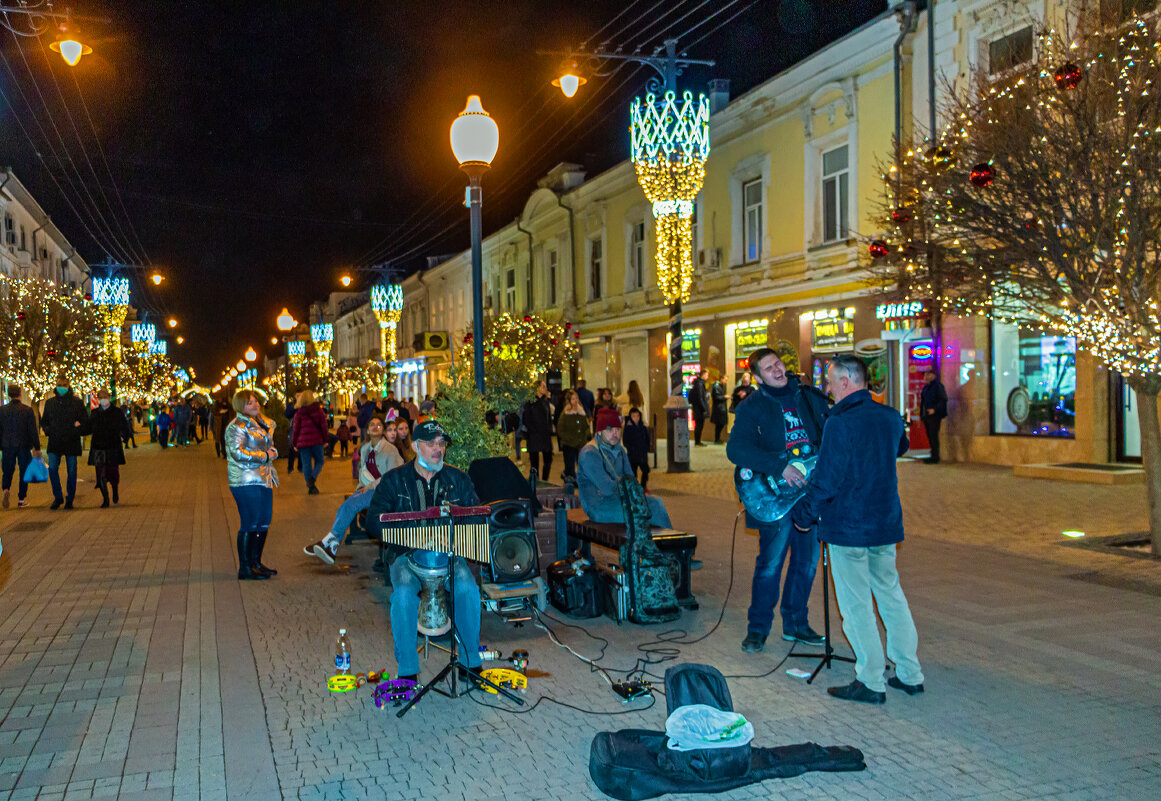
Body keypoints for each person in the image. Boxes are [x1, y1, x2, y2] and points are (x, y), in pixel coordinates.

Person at [791, 354, 923, 704]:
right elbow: (901, 446)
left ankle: (870, 680)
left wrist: (805, 515)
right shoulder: (889, 415)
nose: (828, 389)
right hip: (884, 523)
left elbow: (828, 480)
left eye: (831, 382)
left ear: (847, 382)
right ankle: (910, 673)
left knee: (857, 604)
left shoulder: (841, 423)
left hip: (849, 526)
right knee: (891, 595)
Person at [726, 347, 830, 652]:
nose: (777, 370)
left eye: (779, 364)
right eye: (769, 367)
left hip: (808, 495)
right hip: (774, 494)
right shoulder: (752, 407)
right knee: (770, 564)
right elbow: (736, 450)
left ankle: (796, 624)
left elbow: (831, 434)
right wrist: (778, 466)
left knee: (807, 562)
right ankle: (757, 628)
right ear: (757, 377)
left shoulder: (808, 397)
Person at [366, 420, 485, 684]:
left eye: (441, 444)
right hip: (406, 557)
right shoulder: (395, 480)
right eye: (430, 443)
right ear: (416, 446)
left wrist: (452, 534)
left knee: (468, 589)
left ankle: (469, 664)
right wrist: (412, 532)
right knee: (404, 596)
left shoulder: (458, 480)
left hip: (448, 556)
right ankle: (408, 670)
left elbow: (476, 517)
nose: (437, 449)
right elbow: (372, 521)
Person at [304, 416, 403, 564]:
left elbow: (392, 476)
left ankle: (329, 542)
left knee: (350, 505)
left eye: (379, 425)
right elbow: (363, 473)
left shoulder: (390, 450)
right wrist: (360, 489)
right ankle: (332, 546)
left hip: (384, 492)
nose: (375, 427)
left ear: (382, 430)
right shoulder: (365, 449)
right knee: (349, 504)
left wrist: (368, 487)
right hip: (369, 491)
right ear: (367, 430)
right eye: (372, 424)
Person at [577, 408, 671, 527]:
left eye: (617, 429)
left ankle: (671, 542)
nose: (615, 434)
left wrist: (622, 483)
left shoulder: (619, 450)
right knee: (647, 509)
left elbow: (631, 480)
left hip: (619, 500)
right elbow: (607, 489)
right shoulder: (590, 453)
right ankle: (669, 544)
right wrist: (623, 482)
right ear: (599, 432)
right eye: (610, 430)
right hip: (599, 507)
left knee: (655, 503)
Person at [226, 389, 279, 580]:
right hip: (244, 480)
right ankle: (245, 567)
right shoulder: (236, 426)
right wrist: (264, 456)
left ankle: (256, 562)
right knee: (250, 521)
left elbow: (263, 446)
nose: (255, 404)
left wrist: (271, 452)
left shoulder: (263, 422)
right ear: (241, 406)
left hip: (264, 478)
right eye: (249, 403)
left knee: (264, 521)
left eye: (255, 401)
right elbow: (237, 453)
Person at [40, 376, 89, 510]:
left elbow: (85, 420)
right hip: (55, 441)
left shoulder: (76, 402)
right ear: (56, 386)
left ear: (69, 386)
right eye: (60, 384)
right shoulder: (50, 403)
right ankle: (58, 497)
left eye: (64, 385)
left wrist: (77, 428)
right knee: (53, 469)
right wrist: (48, 430)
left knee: (72, 471)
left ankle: (70, 499)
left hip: (71, 441)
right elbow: (44, 421)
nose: (62, 387)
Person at [0, 385, 41, 509]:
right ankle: (21, 499)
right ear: (20, 394)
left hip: (7, 444)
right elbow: (32, 430)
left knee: (7, 470)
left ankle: (6, 489)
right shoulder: (27, 410)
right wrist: (37, 447)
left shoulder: (2, 410)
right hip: (23, 445)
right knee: (24, 471)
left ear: (8, 395)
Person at [88, 390, 129, 507]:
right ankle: (105, 498)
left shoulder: (117, 412)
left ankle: (115, 490)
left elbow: (124, 426)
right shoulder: (95, 413)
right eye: (101, 397)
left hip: (113, 446)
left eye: (105, 397)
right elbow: (88, 426)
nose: (103, 399)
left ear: (109, 398)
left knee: (113, 472)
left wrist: (123, 437)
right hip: (99, 447)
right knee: (100, 474)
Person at [290, 389, 329, 494]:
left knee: (306, 463)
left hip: (303, 443)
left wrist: (294, 443)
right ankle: (312, 479)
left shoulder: (299, 413)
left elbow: (296, 430)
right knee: (319, 461)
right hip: (317, 441)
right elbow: (323, 427)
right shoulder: (319, 411)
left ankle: (310, 485)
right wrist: (326, 439)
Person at [522, 380, 554, 482]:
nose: (545, 388)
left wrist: (549, 429)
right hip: (534, 436)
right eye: (543, 386)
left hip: (545, 436)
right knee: (534, 461)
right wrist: (533, 431)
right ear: (538, 388)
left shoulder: (545, 402)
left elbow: (548, 418)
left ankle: (545, 480)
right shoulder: (530, 402)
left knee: (548, 460)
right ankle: (535, 482)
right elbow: (526, 418)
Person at [556, 389, 590, 482]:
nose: (575, 401)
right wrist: (566, 438)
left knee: (582, 463)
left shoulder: (581, 411)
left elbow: (585, 426)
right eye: (573, 399)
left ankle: (579, 479)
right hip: (569, 443)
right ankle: (569, 480)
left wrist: (586, 435)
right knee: (569, 464)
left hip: (580, 443)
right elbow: (560, 428)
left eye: (576, 398)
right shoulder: (566, 413)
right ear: (569, 400)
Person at [919, 368, 948, 464]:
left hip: (934, 415)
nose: (925, 377)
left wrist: (935, 410)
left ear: (933, 375)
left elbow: (943, 399)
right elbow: (923, 402)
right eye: (925, 374)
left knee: (933, 435)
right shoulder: (926, 388)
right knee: (930, 435)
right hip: (927, 415)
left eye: (928, 374)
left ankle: (935, 457)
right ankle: (932, 455)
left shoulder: (938, 386)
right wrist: (921, 415)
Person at [622, 407, 651, 491]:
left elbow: (647, 439)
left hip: (642, 453)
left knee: (646, 470)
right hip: (633, 454)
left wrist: (646, 448)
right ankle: (635, 487)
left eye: (637, 416)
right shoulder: (628, 428)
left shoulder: (643, 428)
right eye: (634, 416)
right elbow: (625, 441)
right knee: (633, 472)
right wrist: (631, 448)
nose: (636, 418)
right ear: (630, 417)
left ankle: (643, 486)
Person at [690, 369, 710, 446]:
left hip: (697, 408)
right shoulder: (700, 384)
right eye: (707, 375)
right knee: (699, 425)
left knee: (699, 425)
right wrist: (704, 408)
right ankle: (697, 441)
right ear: (703, 375)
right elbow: (700, 397)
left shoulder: (698, 383)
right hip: (699, 409)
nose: (707, 377)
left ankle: (698, 441)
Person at [710, 376, 728, 444]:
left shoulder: (719, 387)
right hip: (719, 409)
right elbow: (717, 397)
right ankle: (717, 439)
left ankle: (717, 438)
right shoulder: (717, 387)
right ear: (721, 379)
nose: (726, 382)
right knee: (719, 424)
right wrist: (724, 397)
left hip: (720, 408)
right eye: (725, 380)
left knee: (720, 424)